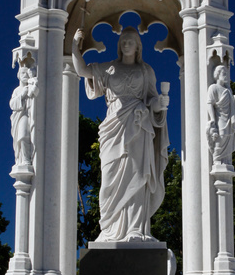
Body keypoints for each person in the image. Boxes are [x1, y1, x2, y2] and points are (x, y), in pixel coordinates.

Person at [72, 26, 169, 242]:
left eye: (131, 41)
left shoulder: (146, 71)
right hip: (113, 128)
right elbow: (81, 70)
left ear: (138, 46)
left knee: (137, 175)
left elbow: (152, 99)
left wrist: (158, 104)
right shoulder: (109, 68)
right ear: (119, 45)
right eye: (123, 40)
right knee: (109, 179)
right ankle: (109, 230)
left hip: (139, 127)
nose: (126, 44)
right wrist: (75, 45)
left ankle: (135, 229)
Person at [206, 63, 235, 164]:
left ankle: (226, 161)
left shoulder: (228, 90)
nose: (226, 76)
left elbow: (232, 110)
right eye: (224, 74)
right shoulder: (213, 88)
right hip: (220, 118)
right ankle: (217, 160)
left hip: (228, 119)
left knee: (228, 138)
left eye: (226, 74)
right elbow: (209, 103)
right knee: (221, 138)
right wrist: (212, 119)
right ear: (217, 74)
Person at [10, 64, 38, 167]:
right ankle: (23, 159)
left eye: (27, 73)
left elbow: (35, 93)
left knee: (25, 135)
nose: (25, 75)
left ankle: (27, 159)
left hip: (29, 115)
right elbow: (12, 104)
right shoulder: (17, 90)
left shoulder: (30, 85)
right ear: (18, 75)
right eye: (22, 73)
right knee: (21, 136)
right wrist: (22, 95)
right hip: (20, 116)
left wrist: (33, 80)